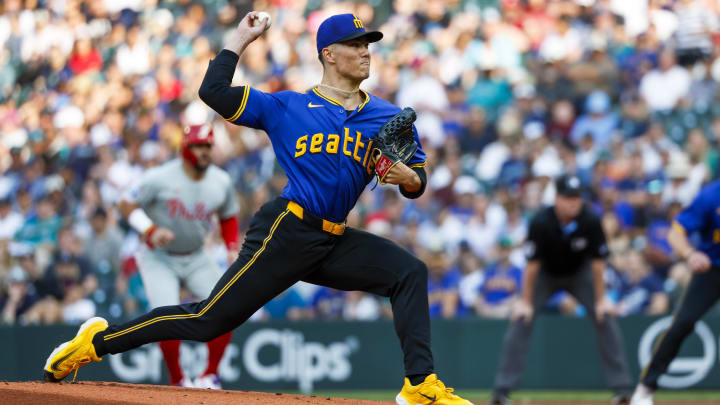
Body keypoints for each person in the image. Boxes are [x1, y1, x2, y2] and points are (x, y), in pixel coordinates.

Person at [43, 12, 472, 405]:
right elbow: (212, 92)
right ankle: (96, 342)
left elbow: (417, 181)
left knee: (408, 272)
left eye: (368, 44)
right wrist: (239, 39)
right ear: (329, 54)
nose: (365, 52)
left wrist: (411, 179)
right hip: (286, 231)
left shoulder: (386, 115)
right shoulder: (287, 107)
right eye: (355, 44)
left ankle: (419, 386)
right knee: (208, 320)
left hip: (333, 239)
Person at [114, 124, 239, 389]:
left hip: (196, 256)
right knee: (166, 317)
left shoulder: (221, 180)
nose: (204, 151)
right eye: (198, 145)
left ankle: (209, 376)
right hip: (159, 257)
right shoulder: (160, 177)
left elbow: (228, 215)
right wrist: (149, 229)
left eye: (208, 146)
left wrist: (230, 246)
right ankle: (178, 380)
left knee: (227, 307)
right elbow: (125, 203)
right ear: (185, 147)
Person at [490, 175, 632, 405]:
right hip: (546, 274)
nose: (573, 203)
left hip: (579, 273)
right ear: (556, 198)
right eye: (568, 198)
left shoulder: (590, 221)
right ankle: (502, 391)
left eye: (576, 198)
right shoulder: (540, 221)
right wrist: (525, 301)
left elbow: (598, 264)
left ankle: (622, 389)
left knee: (604, 317)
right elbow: (532, 266)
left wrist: (601, 298)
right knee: (520, 319)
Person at [630, 180, 720, 405]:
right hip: (711, 268)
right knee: (683, 322)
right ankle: (645, 388)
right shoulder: (710, 196)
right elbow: (675, 233)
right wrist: (690, 254)